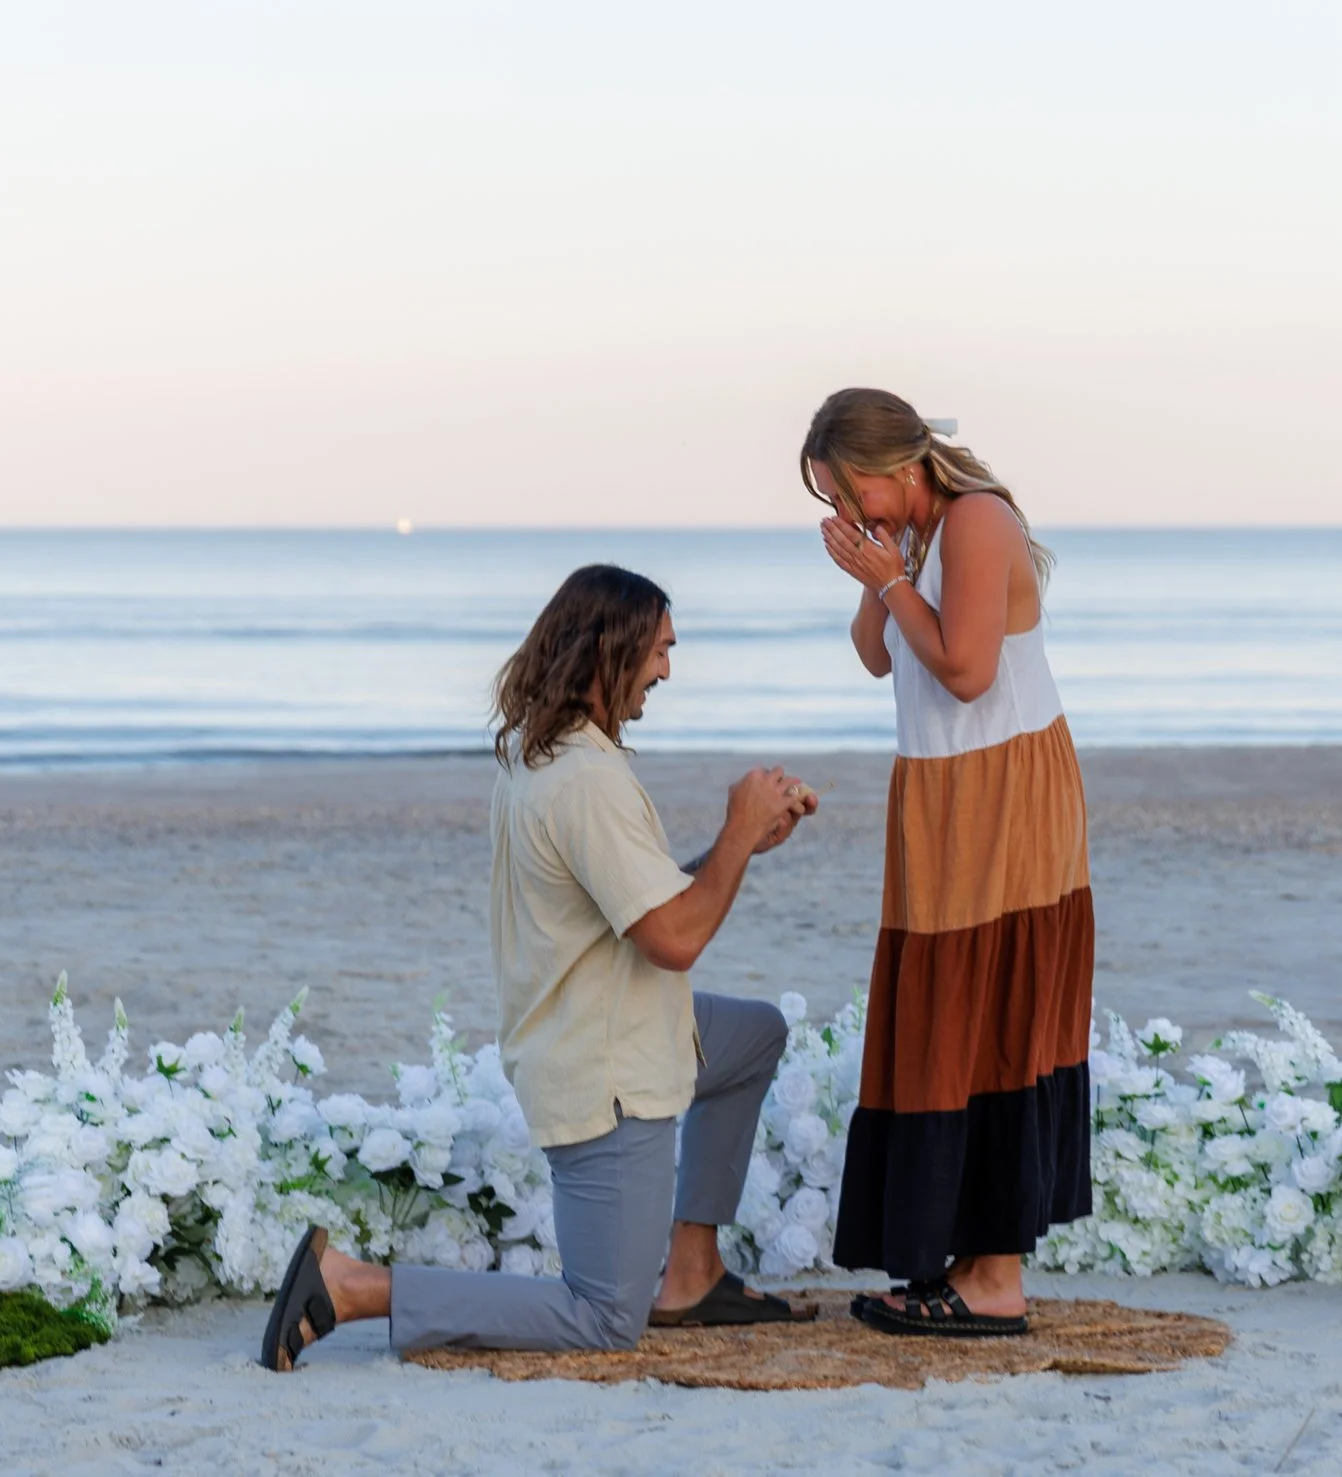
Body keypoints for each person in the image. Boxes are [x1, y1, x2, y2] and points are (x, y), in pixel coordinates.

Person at [259, 563, 819, 1369]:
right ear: (608, 651)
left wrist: (740, 851)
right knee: (601, 1314)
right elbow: (675, 939)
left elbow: (637, 901)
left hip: (626, 1022)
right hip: (607, 1069)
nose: (667, 670)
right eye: (658, 651)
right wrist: (737, 830)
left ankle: (692, 1271)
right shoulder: (587, 780)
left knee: (756, 1034)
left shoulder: (542, 753)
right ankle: (353, 1286)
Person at [805, 388, 1093, 1338]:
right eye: (836, 504)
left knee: (994, 1006)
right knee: (943, 1012)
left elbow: (966, 671)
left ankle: (996, 1275)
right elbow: (876, 656)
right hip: (941, 794)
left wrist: (891, 575)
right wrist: (875, 570)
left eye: (852, 494)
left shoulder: (974, 519)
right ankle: (964, 1262)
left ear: (901, 465)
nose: (849, 514)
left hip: (1002, 789)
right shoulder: (921, 539)